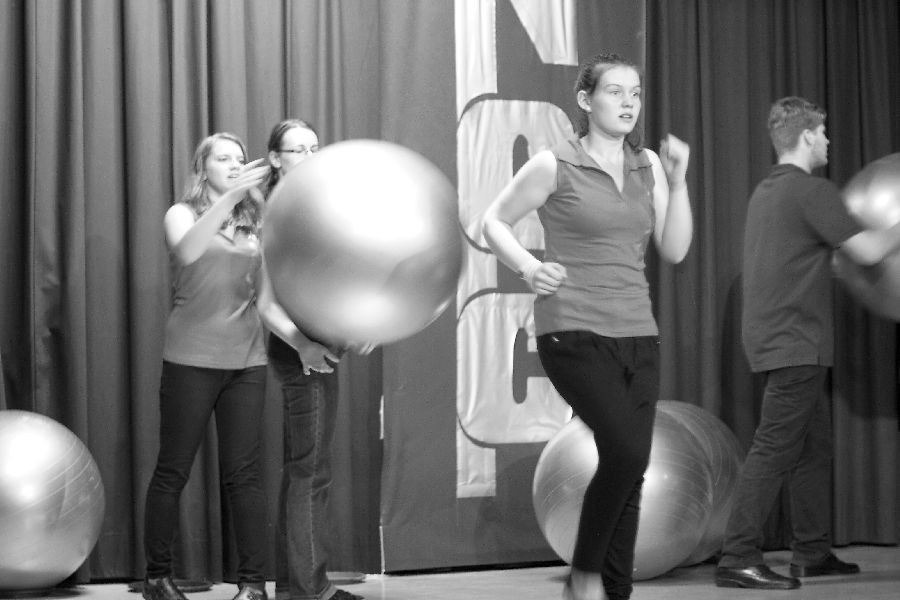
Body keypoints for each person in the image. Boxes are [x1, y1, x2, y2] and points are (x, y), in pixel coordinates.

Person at [482, 53, 693, 600]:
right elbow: (493, 221)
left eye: (635, 93)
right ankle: (584, 572)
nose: (629, 103)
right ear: (585, 100)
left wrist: (678, 183)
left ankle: (613, 591)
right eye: (615, 92)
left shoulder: (647, 164)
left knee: (632, 466)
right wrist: (528, 267)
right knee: (625, 450)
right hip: (572, 330)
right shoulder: (555, 163)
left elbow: (674, 248)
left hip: (638, 333)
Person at [714, 96, 900, 590]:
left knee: (812, 449)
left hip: (781, 338)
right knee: (774, 448)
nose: (829, 141)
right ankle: (737, 557)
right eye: (823, 133)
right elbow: (869, 251)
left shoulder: (768, 192)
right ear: (807, 137)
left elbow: (813, 260)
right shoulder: (811, 191)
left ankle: (811, 553)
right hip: (796, 340)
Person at [143, 133, 271, 600]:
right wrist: (232, 198)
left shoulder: (255, 220)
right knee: (173, 469)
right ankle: (157, 578)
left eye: (240, 158)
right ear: (203, 168)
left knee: (244, 474)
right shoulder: (182, 213)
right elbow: (188, 252)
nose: (234, 164)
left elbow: (267, 291)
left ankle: (253, 584)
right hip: (191, 359)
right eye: (223, 158)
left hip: (247, 360)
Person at [256, 119, 365, 600]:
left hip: (320, 345)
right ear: (275, 158)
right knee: (310, 471)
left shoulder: (315, 208)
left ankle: (296, 584)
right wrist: (302, 345)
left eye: (315, 148)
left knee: (306, 468)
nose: (309, 157)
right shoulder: (276, 213)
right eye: (297, 150)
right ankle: (310, 588)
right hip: (301, 352)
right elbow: (266, 303)